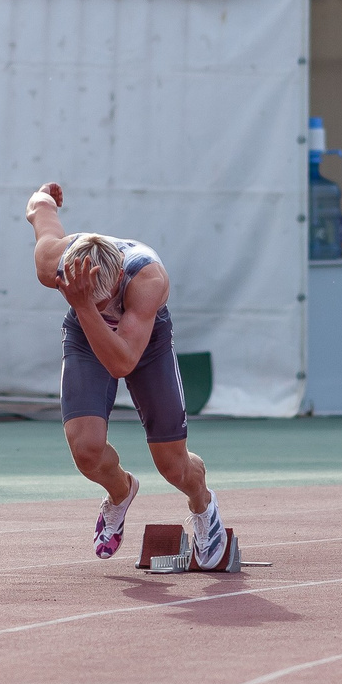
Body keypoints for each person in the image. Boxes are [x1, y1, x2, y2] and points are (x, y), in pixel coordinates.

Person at [22, 182, 230, 567]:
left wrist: (85, 304)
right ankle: (121, 490)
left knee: (171, 464)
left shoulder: (147, 282)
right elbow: (39, 210)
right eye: (86, 296)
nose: (100, 309)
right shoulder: (53, 260)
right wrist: (47, 194)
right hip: (83, 335)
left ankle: (203, 506)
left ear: (117, 282)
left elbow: (122, 362)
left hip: (142, 344)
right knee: (86, 451)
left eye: (104, 303)